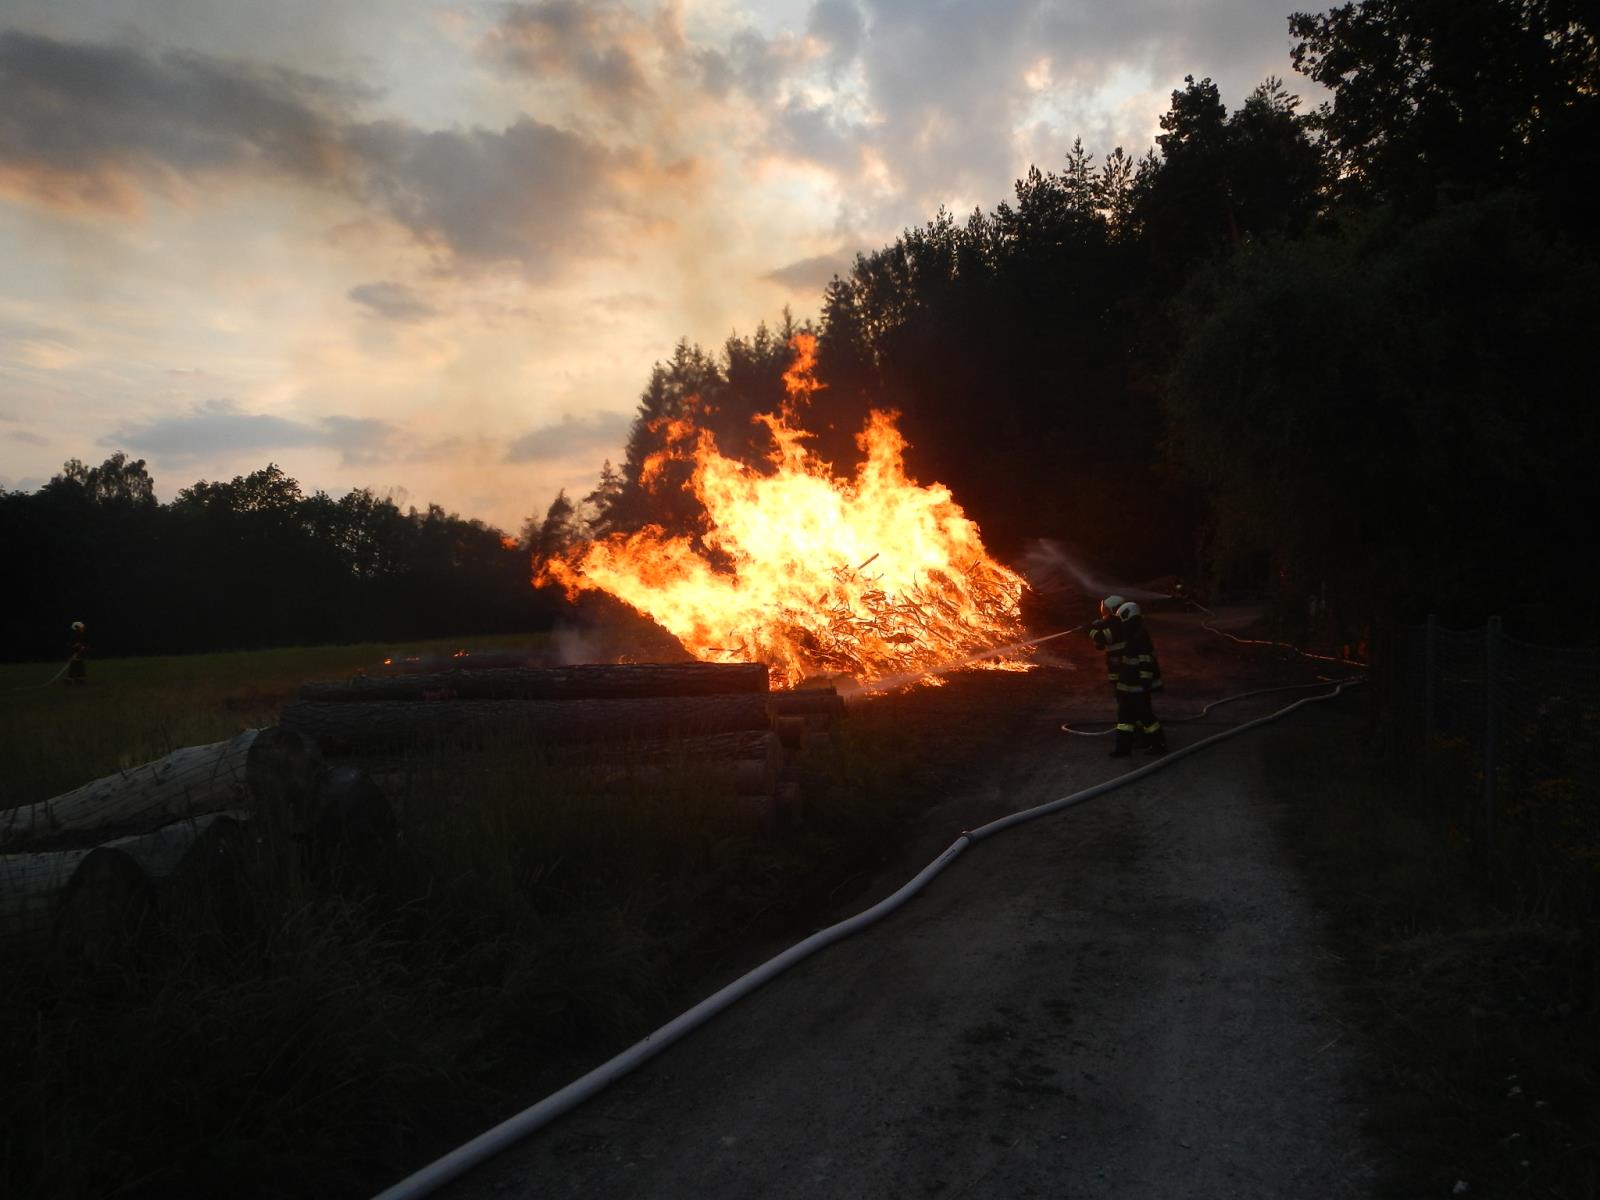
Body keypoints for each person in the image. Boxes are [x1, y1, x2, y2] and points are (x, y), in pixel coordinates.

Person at [1115, 601, 1166, 755]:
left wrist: (1145, 681)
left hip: (1138, 687)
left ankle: (1159, 745)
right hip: (1127, 686)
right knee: (1124, 720)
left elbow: (1146, 660)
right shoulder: (1131, 633)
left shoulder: (1139, 635)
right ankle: (1123, 749)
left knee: (1146, 717)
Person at [1088, 595, 1135, 757]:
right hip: (1120, 670)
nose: (1104, 612)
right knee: (1127, 703)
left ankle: (1128, 741)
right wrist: (1098, 629)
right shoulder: (1118, 622)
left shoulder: (1119, 624)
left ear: (1113, 610)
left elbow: (1105, 637)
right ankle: (1138, 735)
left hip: (1124, 671)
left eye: (1106, 609)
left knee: (1126, 705)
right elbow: (1101, 644)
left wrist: (1090, 630)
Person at [66, 620, 89, 686]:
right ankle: (69, 681)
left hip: (79, 655)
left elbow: (81, 644)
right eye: (81, 628)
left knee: (80, 667)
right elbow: (70, 646)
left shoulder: (80, 635)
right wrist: (76, 647)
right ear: (77, 628)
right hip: (74, 655)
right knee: (73, 668)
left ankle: (79, 681)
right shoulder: (73, 636)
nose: (83, 629)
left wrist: (83, 647)